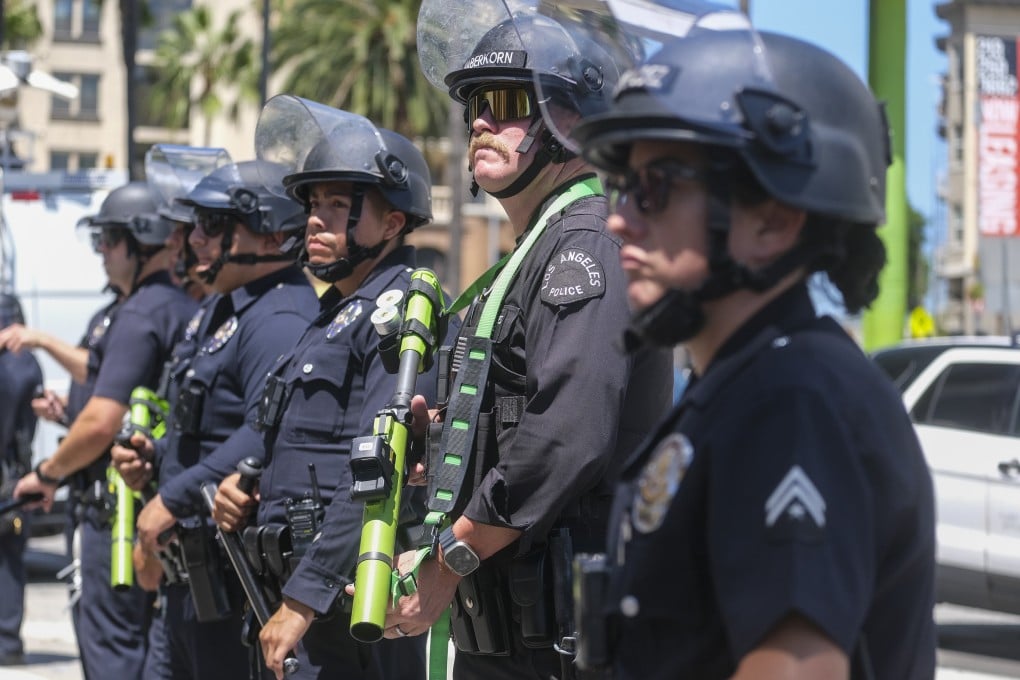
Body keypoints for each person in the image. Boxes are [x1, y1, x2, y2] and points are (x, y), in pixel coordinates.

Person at [560, 5, 937, 678]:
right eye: (620, 186)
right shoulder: (739, 389)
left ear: (774, 220)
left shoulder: (792, 403)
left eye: (655, 188)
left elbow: (796, 667)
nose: (618, 220)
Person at [377, 4, 674, 679]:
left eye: (507, 102)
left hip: (563, 640)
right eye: (474, 105)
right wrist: (444, 442)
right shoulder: (533, 253)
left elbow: (566, 435)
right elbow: (517, 420)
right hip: (515, 631)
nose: (480, 120)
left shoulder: (585, 243)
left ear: (571, 121)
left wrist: (447, 559)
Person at [211, 96, 455, 680]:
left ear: (393, 222)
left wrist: (305, 598)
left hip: (345, 605)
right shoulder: (338, 312)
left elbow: (378, 467)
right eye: (313, 204)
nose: (316, 219)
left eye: (339, 204)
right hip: (295, 591)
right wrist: (243, 482)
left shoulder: (400, 313)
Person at [112, 157, 318, 680]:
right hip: (189, 576)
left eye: (213, 224)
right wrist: (154, 460)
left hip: (226, 577)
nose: (194, 239)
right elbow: (210, 425)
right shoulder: (226, 307)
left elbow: (264, 430)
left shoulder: (278, 316)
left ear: (272, 238)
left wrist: (170, 498)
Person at [13, 181, 198, 679]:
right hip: (154, 513)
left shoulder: (139, 314)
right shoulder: (182, 306)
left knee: (112, 653)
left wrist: (47, 473)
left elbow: (101, 423)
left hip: (115, 519)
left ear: (140, 242)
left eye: (108, 240)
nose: (101, 254)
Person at [0, 294, 42, 667]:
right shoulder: (28, 364)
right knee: (11, 563)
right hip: (16, 475)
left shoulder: (8, 366)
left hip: (7, 478)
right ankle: (8, 641)